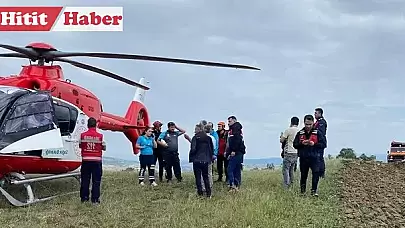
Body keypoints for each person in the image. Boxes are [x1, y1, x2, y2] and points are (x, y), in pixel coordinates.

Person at [293, 114, 326, 196]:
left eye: (310, 124)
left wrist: (314, 144)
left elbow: (323, 144)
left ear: (313, 123)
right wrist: (301, 144)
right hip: (304, 158)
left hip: (315, 158)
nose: (308, 126)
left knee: (315, 174)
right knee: (303, 175)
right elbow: (295, 144)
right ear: (304, 123)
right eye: (306, 124)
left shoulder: (318, 133)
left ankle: (314, 191)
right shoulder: (300, 133)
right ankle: (302, 192)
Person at [79, 117, 106, 204]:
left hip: (86, 161)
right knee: (96, 181)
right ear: (96, 125)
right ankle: (95, 200)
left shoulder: (83, 135)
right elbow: (104, 147)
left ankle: (84, 198)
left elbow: (80, 145)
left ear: (88, 125)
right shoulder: (100, 136)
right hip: (96, 161)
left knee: (85, 180)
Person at [189, 124, 214, 198]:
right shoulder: (208, 138)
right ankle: (208, 193)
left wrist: (192, 156)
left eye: (196, 129)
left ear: (199, 129)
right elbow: (211, 149)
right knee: (206, 177)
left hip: (197, 160)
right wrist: (209, 158)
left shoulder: (195, 138)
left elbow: (193, 149)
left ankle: (200, 193)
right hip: (205, 160)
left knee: (198, 177)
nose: (195, 131)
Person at [225, 116, 246, 192]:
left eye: (230, 121)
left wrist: (233, 150)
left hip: (236, 152)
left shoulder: (235, 128)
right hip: (239, 152)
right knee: (237, 169)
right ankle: (237, 185)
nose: (228, 123)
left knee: (230, 169)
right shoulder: (235, 128)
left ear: (234, 121)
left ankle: (232, 185)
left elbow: (237, 140)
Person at [280, 116, 300, 189]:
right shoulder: (300, 130)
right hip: (296, 152)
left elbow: (282, 140)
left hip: (289, 152)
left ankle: (286, 185)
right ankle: (292, 183)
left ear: (291, 122)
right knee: (291, 169)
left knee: (285, 169)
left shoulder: (288, 130)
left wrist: (281, 136)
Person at [200, 124, 216, 192]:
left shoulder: (202, 138)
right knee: (209, 172)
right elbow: (214, 147)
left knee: (202, 173)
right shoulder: (213, 138)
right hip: (210, 156)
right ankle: (210, 185)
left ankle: (203, 187)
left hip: (203, 157)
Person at [314, 107, 327, 178]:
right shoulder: (317, 122)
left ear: (320, 113)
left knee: (319, 158)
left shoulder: (322, 122)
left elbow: (321, 133)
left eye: (316, 113)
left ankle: (321, 173)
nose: (314, 115)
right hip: (317, 143)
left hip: (320, 143)